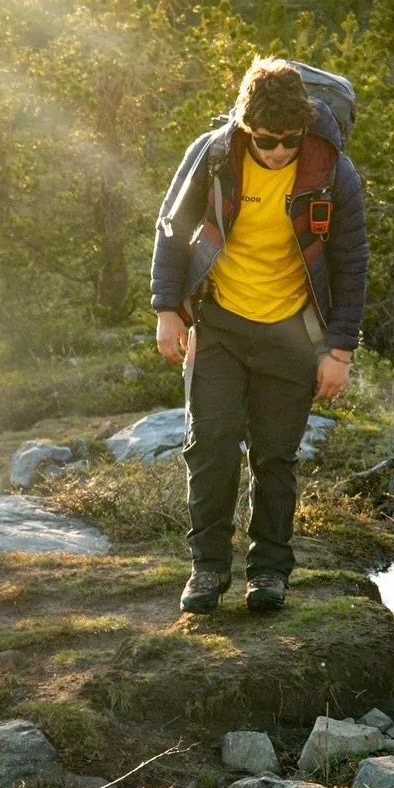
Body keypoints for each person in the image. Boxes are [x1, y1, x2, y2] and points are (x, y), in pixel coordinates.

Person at [151, 57, 368, 614]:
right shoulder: (214, 155)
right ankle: (207, 569)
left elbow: (351, 262)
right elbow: (173, 228)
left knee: (275, 456)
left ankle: (269, 572)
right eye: (267, 140)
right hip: (219, 321)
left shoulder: (333, 172)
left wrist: (340, 350)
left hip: (292, 333)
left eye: (289, 140)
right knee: (211, 446)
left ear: (306, 127)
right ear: (247, 127)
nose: (278, 151)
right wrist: (167, 310)